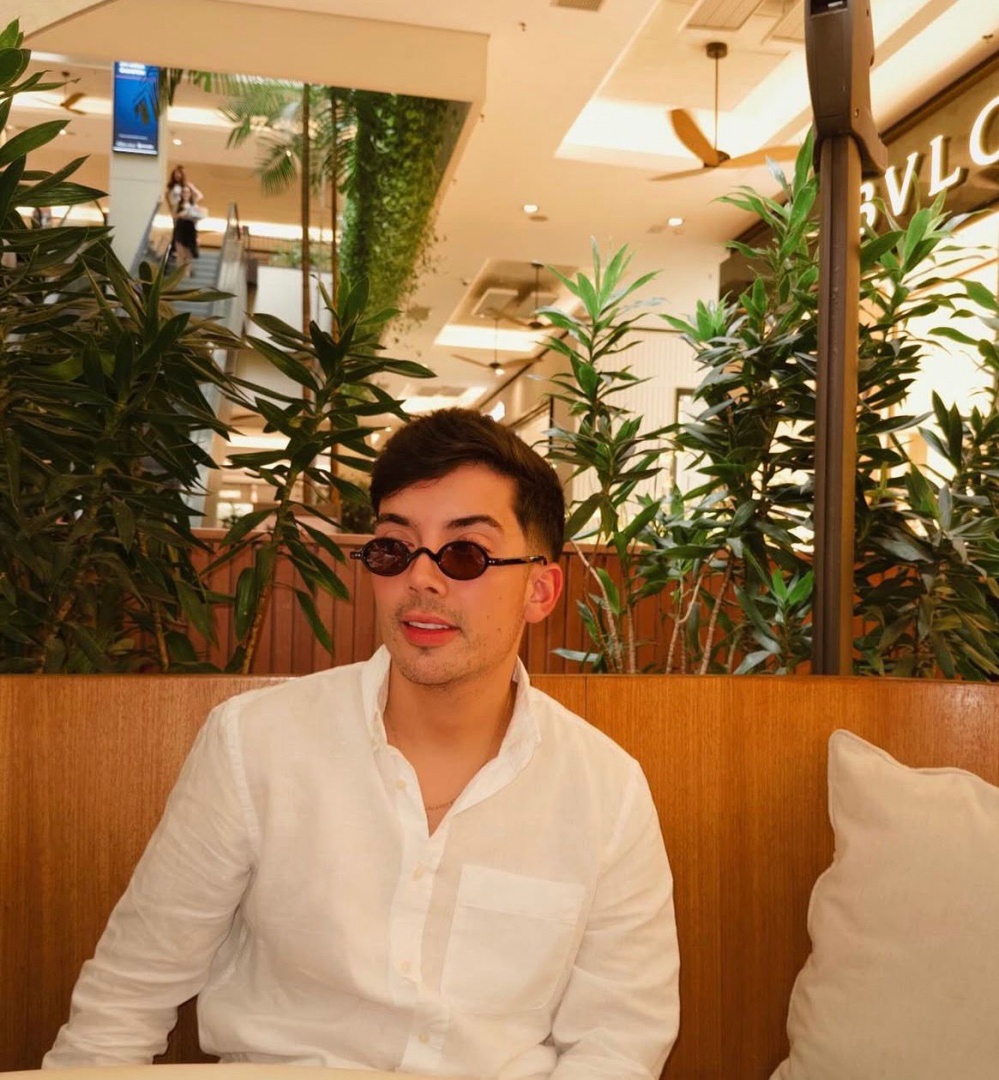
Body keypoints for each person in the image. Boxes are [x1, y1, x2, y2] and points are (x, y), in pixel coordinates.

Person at [43, 408, 680, 1078]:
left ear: (540, 589)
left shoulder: (605, 790)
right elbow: (126, 997)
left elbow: (617, 1043)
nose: (421, 579)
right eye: (394, 549)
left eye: (465, 553)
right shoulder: (254, 743)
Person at [165, 166, 203, 266]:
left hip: (189, 225)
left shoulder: (191, 203)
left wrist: (190, 186)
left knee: (188, 252)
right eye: (176, 174)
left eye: (179, 174)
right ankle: (174, 254)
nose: (177, 175)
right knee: (180, 248)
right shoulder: (172, 190)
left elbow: (199, 196)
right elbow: (170, 202)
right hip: (179, 220)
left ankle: (185, 267)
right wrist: (175, 212)